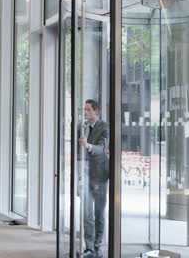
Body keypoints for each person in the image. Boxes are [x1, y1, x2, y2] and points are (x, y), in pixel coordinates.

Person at [78, 99, 109, 258]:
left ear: (96, 111)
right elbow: (78, 153)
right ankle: (88, 247)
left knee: (99, 213)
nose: (86, 113)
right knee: (87, 214)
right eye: (85, 110)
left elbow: (102, 148)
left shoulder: (104, 127)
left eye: (89, 110)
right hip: (85, 174)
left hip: (100, 175)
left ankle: (98, 245)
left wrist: (88, 146)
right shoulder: (81, 127)